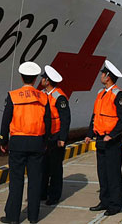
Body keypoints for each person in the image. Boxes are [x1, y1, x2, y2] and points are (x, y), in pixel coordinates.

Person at [0, 62, 51, 224]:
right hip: (37, 142)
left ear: (22, 77)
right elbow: (48, 122)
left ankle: (13, 217)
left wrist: (3, 140)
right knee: (35, 181)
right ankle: (34, 217)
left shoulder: (13, 96)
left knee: (16, 181)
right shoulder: (43, 97)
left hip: (17, 143)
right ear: (36, 79)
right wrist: (45, 141)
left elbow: (6, 120)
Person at [85, 60, 122, 216]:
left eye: (103, 73)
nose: (101, 76)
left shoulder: (118, 95)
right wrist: (90, 134)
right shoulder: (100, 93)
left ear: (108, 76)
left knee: (113, 173)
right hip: (100, 139)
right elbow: (95, 115)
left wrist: (111, 135)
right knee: (102, 172)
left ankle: (115, 205)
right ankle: (104, 201)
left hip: (112, 141)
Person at [40, 65, 70, 206]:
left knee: (55, 168)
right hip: (43, 137)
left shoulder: (59, 97)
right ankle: (42, 193)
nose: (42, 80)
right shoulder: (41, 94)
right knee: (43, 166)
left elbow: (65, 119)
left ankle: (54, 195)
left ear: (48, 80)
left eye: (43, 78)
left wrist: (62, 138)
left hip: (55, 137)